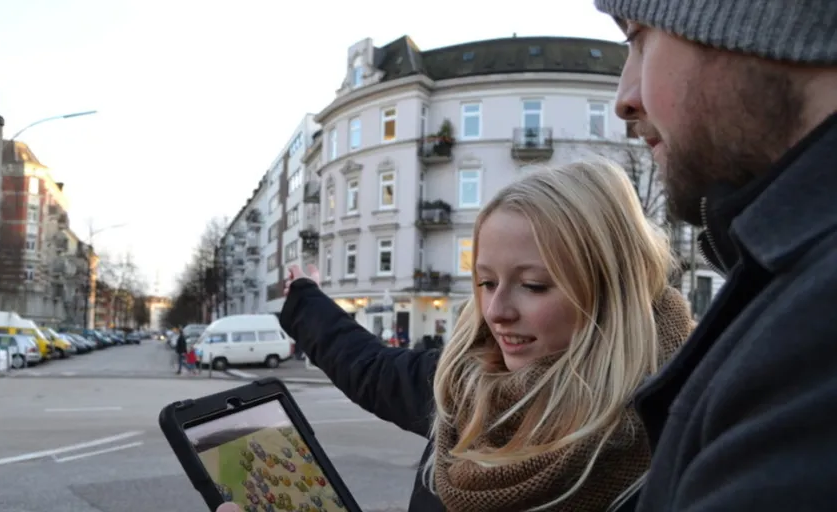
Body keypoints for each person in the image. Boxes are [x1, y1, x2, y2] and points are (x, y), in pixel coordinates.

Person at [279, 161, 694, 511]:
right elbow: (371, 368)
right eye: (486, 282)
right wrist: (305, 300)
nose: (496, 312)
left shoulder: (683, 426)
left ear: (612, 289)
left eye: (533, 285)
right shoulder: (464, 386)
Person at [591, 1, 837, 510]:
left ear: (757, 23)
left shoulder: (812, 334)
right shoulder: (787, 291)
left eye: (638, 38)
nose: (624, 100)